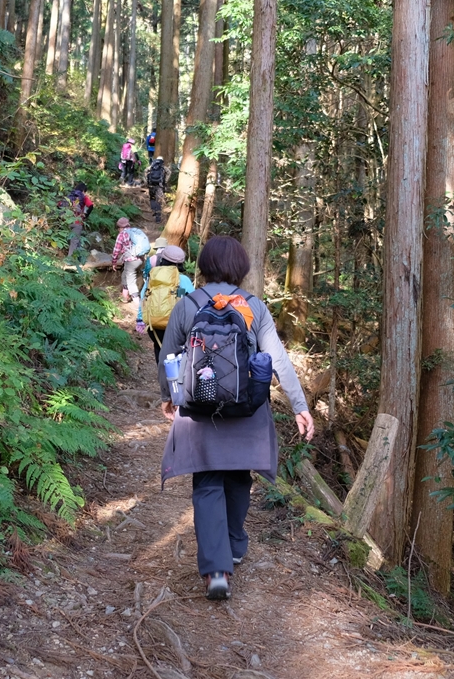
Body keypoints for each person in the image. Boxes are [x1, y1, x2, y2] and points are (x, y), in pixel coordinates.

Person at [156, 236, 314, 601]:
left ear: (203, 266)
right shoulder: (254, 307)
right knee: (239, 477)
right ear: (241, 269)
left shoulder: (187, 304)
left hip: (199, 410)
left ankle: (217, 569)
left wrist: (168, 396)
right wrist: (299, 405)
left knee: (207, 482)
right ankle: (234, 545)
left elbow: (168, 355)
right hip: (247, 410)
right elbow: (278, 360)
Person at [137, 243, 194, 361]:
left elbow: (144, 298)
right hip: (176, 326)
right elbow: (193, 302)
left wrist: (140, 319)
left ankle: (161, 371)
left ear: (162, 259)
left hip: (154, 323)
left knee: (159, 348)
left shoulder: (152, 277)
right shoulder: (183, 280)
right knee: (178, 354)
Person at [110, 217, 147, 303]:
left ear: (120, 227)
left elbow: (116, 250)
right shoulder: (135, 232)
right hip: (140, 259)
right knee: (124, 276)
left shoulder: (122, 235)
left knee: (130, 281)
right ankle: (125, 296)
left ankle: (137, 303)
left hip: (131, 261)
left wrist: (114, 262)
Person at [61, 182, 94, 258]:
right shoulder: (83, 197)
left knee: (74, 240)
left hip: (67, 221)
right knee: (74, 241)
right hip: (77, 222)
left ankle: (79, 257)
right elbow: (91, 206)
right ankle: (69, 260)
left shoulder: (70, 195)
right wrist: (85, 216)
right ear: (83, 191)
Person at [145, 157, 167, 223]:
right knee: (159, 201)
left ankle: (154, 210)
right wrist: (165, 181)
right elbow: (169, 172)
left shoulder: (151, 166)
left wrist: (147, 180)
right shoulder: (163, 167)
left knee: (152, 198)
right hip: (159, 186)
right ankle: (158, 218)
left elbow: (145, 171)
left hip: (151, 185)